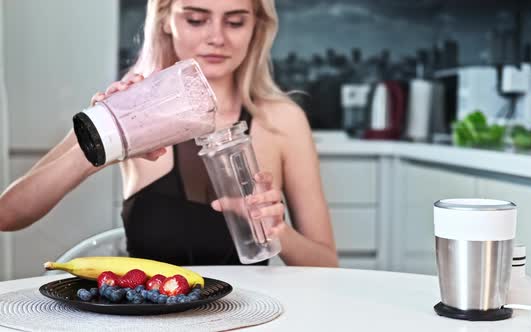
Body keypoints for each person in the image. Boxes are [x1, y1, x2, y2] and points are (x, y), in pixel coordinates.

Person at [0, 0, 338, 267]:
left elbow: (327, 266)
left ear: (256, 27)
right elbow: (8, 214)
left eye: (235, 21)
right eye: (195, 19)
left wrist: (279, 231)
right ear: (165, 18)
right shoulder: (129, 110)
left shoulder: (284, 122)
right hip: (148, 320)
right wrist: (104, 139)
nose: (217, 37)